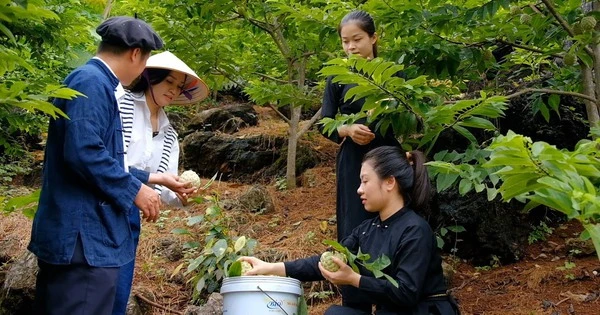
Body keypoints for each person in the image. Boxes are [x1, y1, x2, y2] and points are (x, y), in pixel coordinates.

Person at [27, 16, 169, 315]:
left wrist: (151, 179)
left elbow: (101, 159)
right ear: (135, 54)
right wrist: (135, 191)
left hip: (81, 237)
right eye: (146, 61)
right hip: (83, 241)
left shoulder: (93, 82)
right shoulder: (91, 83)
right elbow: (84, 152)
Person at [242, 146, 459, 315]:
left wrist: (354, 279)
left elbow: (406, 293)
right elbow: (326, 261)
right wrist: (270, 268)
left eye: (365, 181)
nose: (359, 189)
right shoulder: (367, 229)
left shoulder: (415, 230)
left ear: (390, 182)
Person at [112, 51, 209, 315]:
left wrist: (181, 193)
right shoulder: (120, 106)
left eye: (179, 87)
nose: (173, 90)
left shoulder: (169, 134)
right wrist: (154, 179)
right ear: (150, 77)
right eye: (168, 82)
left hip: (129, 217)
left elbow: (165, 189)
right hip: (102, 206)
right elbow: (107, 164)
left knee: (118, 293)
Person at [319, 10, 401, 242]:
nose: (351, 47)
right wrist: (347, 129)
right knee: (354, 214)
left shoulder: (391, 73)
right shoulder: (337, 76)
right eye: (345, 42)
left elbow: (409, 118)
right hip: (353, 158)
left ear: (373, 38)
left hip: (387, 154)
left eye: (357, 40)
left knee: (391, 212)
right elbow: (324, 123)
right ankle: (351, 272)